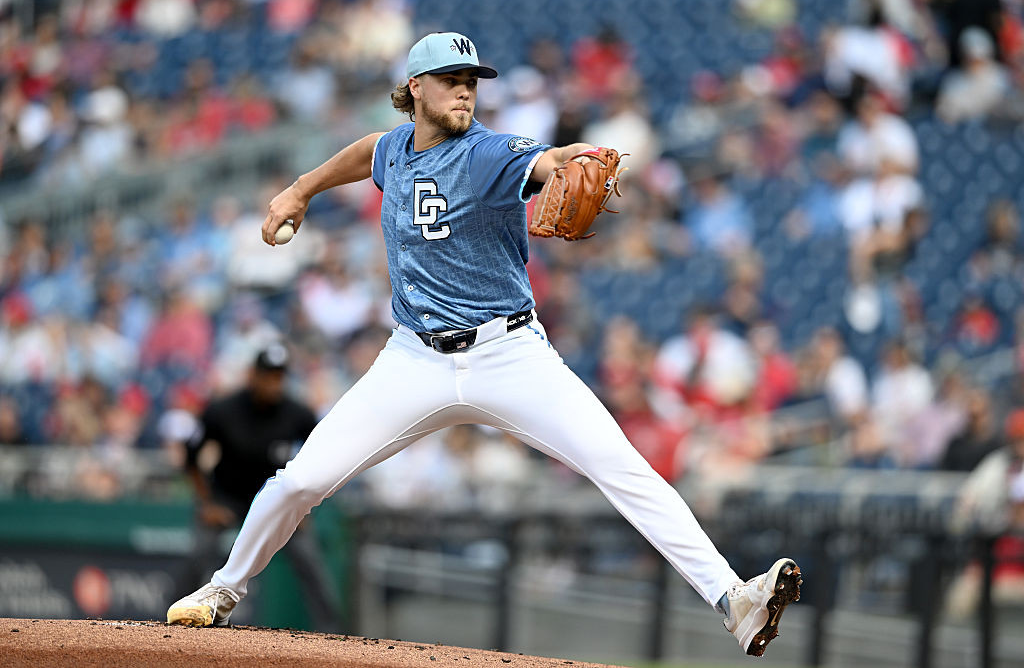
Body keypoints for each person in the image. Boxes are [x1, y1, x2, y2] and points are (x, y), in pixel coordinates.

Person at [167, 32, 801, 657]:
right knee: (299, 481)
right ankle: (222, 591)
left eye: (472, 82)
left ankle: (733, 600)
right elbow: (368, 153)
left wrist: (572, 160)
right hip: (414, 359)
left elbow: (546, 160)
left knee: (625, 469)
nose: (465, 91)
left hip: (509, 355)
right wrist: (300, 190)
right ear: (416, 88)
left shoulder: (489, 154)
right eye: (451, 80)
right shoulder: (394, 149)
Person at [178, 343, 339, 631]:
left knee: (310, 559)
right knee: (198, 553)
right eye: (267, 375)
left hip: (276, 503)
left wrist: (304, 509)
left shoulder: (297, 413)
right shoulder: (222, 410)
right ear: (252, 375)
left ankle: (332, 632)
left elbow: (322, 459)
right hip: (228, 499)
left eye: (278, 376)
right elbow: (190, 458)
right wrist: (207, 504)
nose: (273, 383)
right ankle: (172, 622)